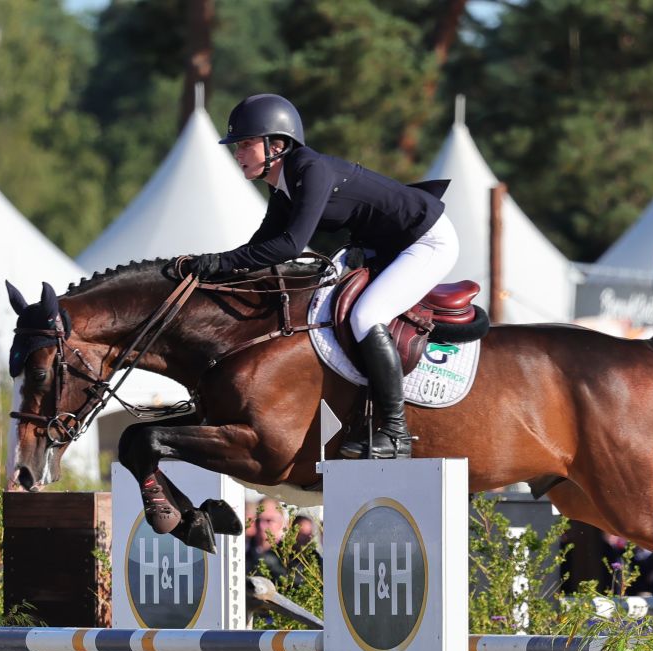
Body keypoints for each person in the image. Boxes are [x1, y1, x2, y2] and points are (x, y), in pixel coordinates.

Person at [190, 93, 459, 460]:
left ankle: (395, 431)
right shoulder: (282, 183)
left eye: (246, 144)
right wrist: (216, 273)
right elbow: (261, 244)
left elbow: (289, 245)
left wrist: (218, 262)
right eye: (238, 146)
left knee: (367, 315)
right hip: (387, 244)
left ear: (277, 144)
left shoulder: (309, 170)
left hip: (427, 240)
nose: (237, 153)